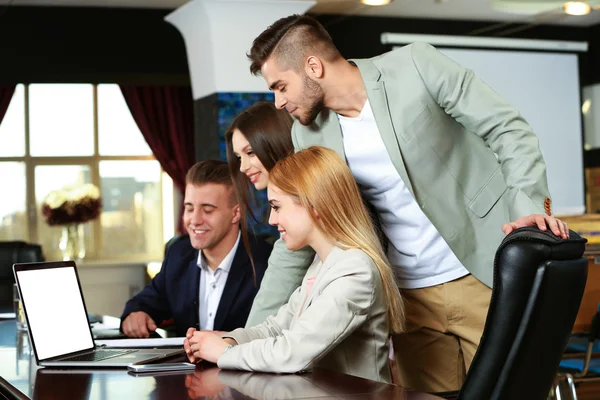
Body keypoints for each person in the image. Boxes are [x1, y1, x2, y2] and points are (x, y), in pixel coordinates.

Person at [243, 14, 570, 392]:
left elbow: (509, 130)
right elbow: (299, 237)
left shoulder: (415, 65)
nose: (278, 102)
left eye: (281, 86)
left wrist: (528, 211)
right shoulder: (308, 135)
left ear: (313, 66)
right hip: (408, 300)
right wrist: (247, 339)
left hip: (485, 273)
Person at [184, 146, 404, 384]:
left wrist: (223, 353)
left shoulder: (355, 271)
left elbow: (291, 353)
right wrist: (230, 341)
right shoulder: (323, 263)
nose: (272, 219)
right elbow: (275, 329)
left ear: (314, 205)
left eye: (277, 207)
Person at [121, 160, 272, 338]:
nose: (194, 220)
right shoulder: (178, 254)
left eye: (207, 210)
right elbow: (144, 302)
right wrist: (136, 315)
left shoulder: (267, 263)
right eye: (189, 208)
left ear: (236, 213)